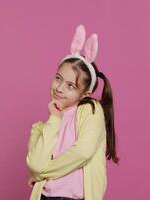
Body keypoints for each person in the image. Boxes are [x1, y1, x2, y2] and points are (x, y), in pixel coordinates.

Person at [26, 25, 119, 200]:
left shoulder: (90, 110)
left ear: (85, 93)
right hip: (44, 196)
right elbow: (36, 164)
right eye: (58, 78)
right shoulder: (42, 127)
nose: (60, 88)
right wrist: (54, 118)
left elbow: (83, 152)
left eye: (71, 85)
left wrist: (43, 173)